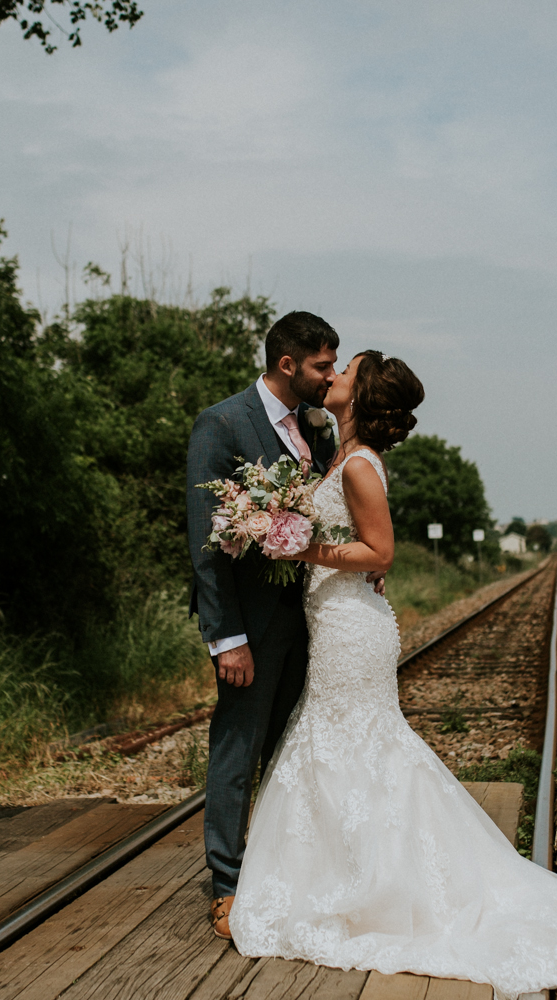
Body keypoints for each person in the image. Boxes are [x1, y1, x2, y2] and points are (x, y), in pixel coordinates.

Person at [227, 351, 557, 999]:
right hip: (333, 618)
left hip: (352, 628)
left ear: (358, 394)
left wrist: (298, 544)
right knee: (340, 746)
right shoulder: (337, 454)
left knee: (355, 745)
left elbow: (380, 550)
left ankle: (377, 884)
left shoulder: (359, 466)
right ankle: (352, 873)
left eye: (345, 369)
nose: (331, 376)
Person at [186, 311, 343, 940]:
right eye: (322, 366)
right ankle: (227, 884)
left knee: (291, 748)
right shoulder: (222, 423)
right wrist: (227, 638)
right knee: (237, 749)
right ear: (288, 365)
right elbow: (206, 539)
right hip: (251, 626)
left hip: (313, 621)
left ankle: (285, 873)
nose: (330, 378)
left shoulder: (319, 429)